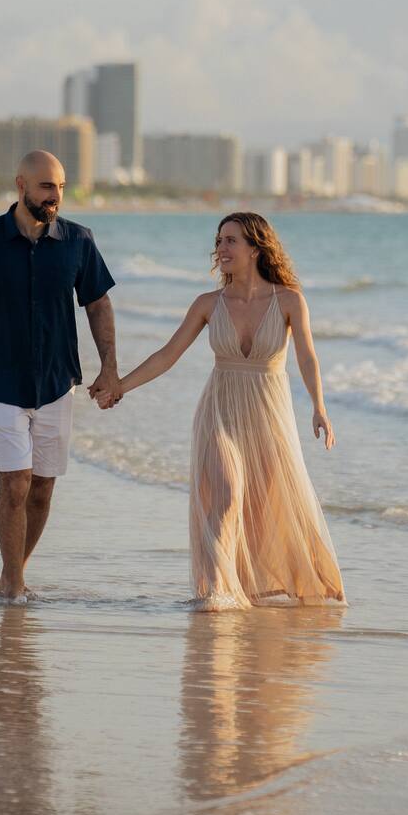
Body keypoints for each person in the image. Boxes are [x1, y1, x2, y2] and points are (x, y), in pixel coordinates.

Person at [99, 212, 345, 609]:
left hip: (269, 415)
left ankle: (244, 588)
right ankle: (215, 592)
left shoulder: (289, 300)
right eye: (219, 241)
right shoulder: (208, 304)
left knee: (263, 510)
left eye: (231, 240)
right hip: (220, 410)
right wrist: (121, 387)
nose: (221, 249)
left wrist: (319, 407)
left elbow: (307, 358)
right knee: (228, 496)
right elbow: (167, 355)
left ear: (255, 247)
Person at [0, 150, 120, 602]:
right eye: (46, 186)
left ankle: (13, 571)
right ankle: (14, 586)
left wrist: (109, 367)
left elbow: (98, 304)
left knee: (42, 488)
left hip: (56, 382)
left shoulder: (79, 241)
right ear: (21, 185)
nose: (55, 196)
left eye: (61, 187)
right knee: (15, 482)